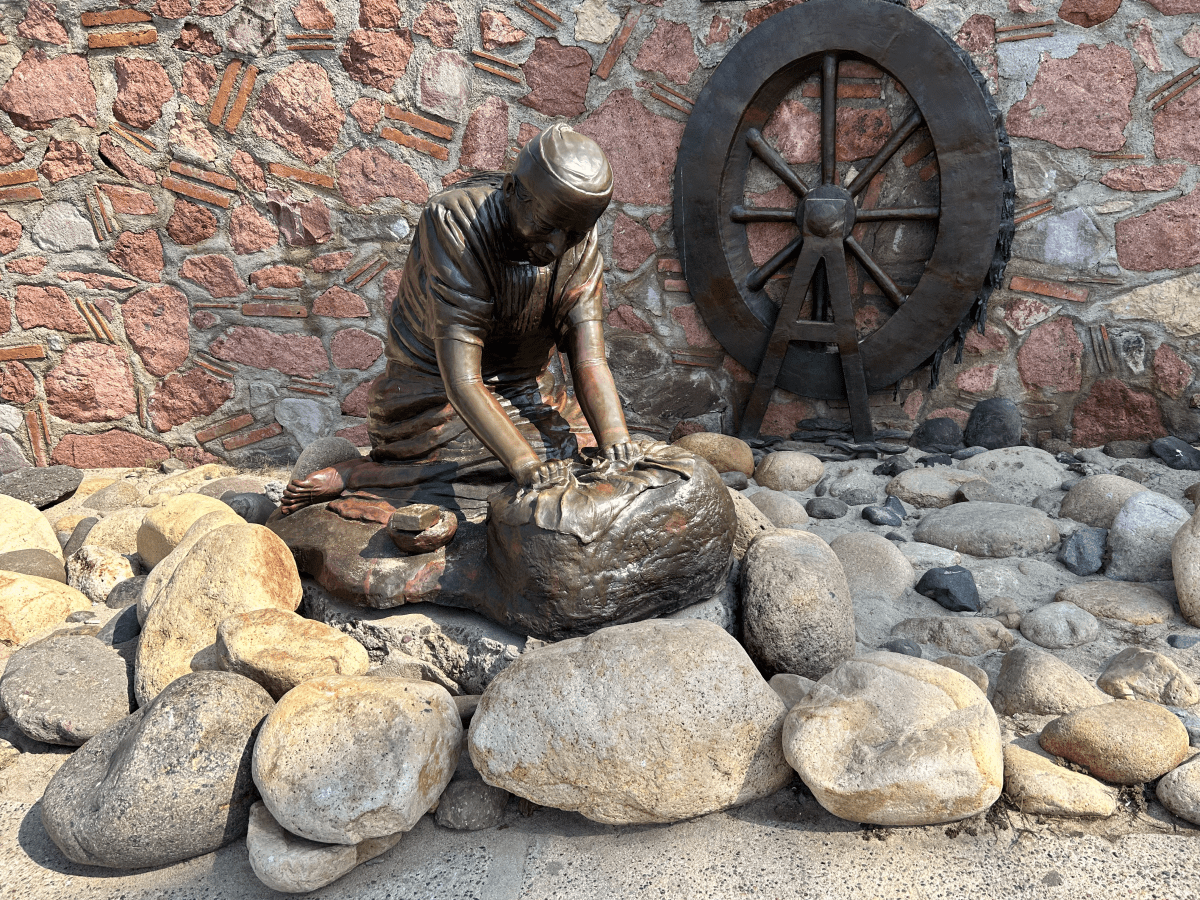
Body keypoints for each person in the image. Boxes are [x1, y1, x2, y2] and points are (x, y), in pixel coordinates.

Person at [280, 124, 636, 516]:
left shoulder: (579, 237)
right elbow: (463, 381)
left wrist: (616, 440)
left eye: (572, 234)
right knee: (489, 467)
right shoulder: (454, 222)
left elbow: (589, 359)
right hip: (434, 399)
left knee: (582, 456)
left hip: (531, 392)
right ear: (511, 190)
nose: (556, 247)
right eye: (547, 226)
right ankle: (358, 475)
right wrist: (527, 467)